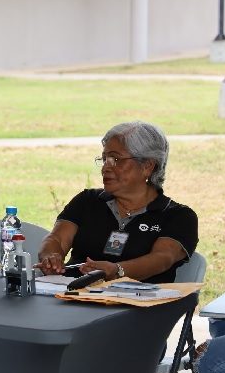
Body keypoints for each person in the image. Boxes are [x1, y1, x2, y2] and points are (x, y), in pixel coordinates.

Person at [37, 121, 198, 284]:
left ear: (147, 166)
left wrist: (117, 271)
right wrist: (50, 257)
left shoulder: (178, 216)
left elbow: (162, 258)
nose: (105, 167)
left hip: (138, 304)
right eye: (104, 159)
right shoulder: (87, 201)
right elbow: (56, 239)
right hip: (74, 297)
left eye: (115, 159)